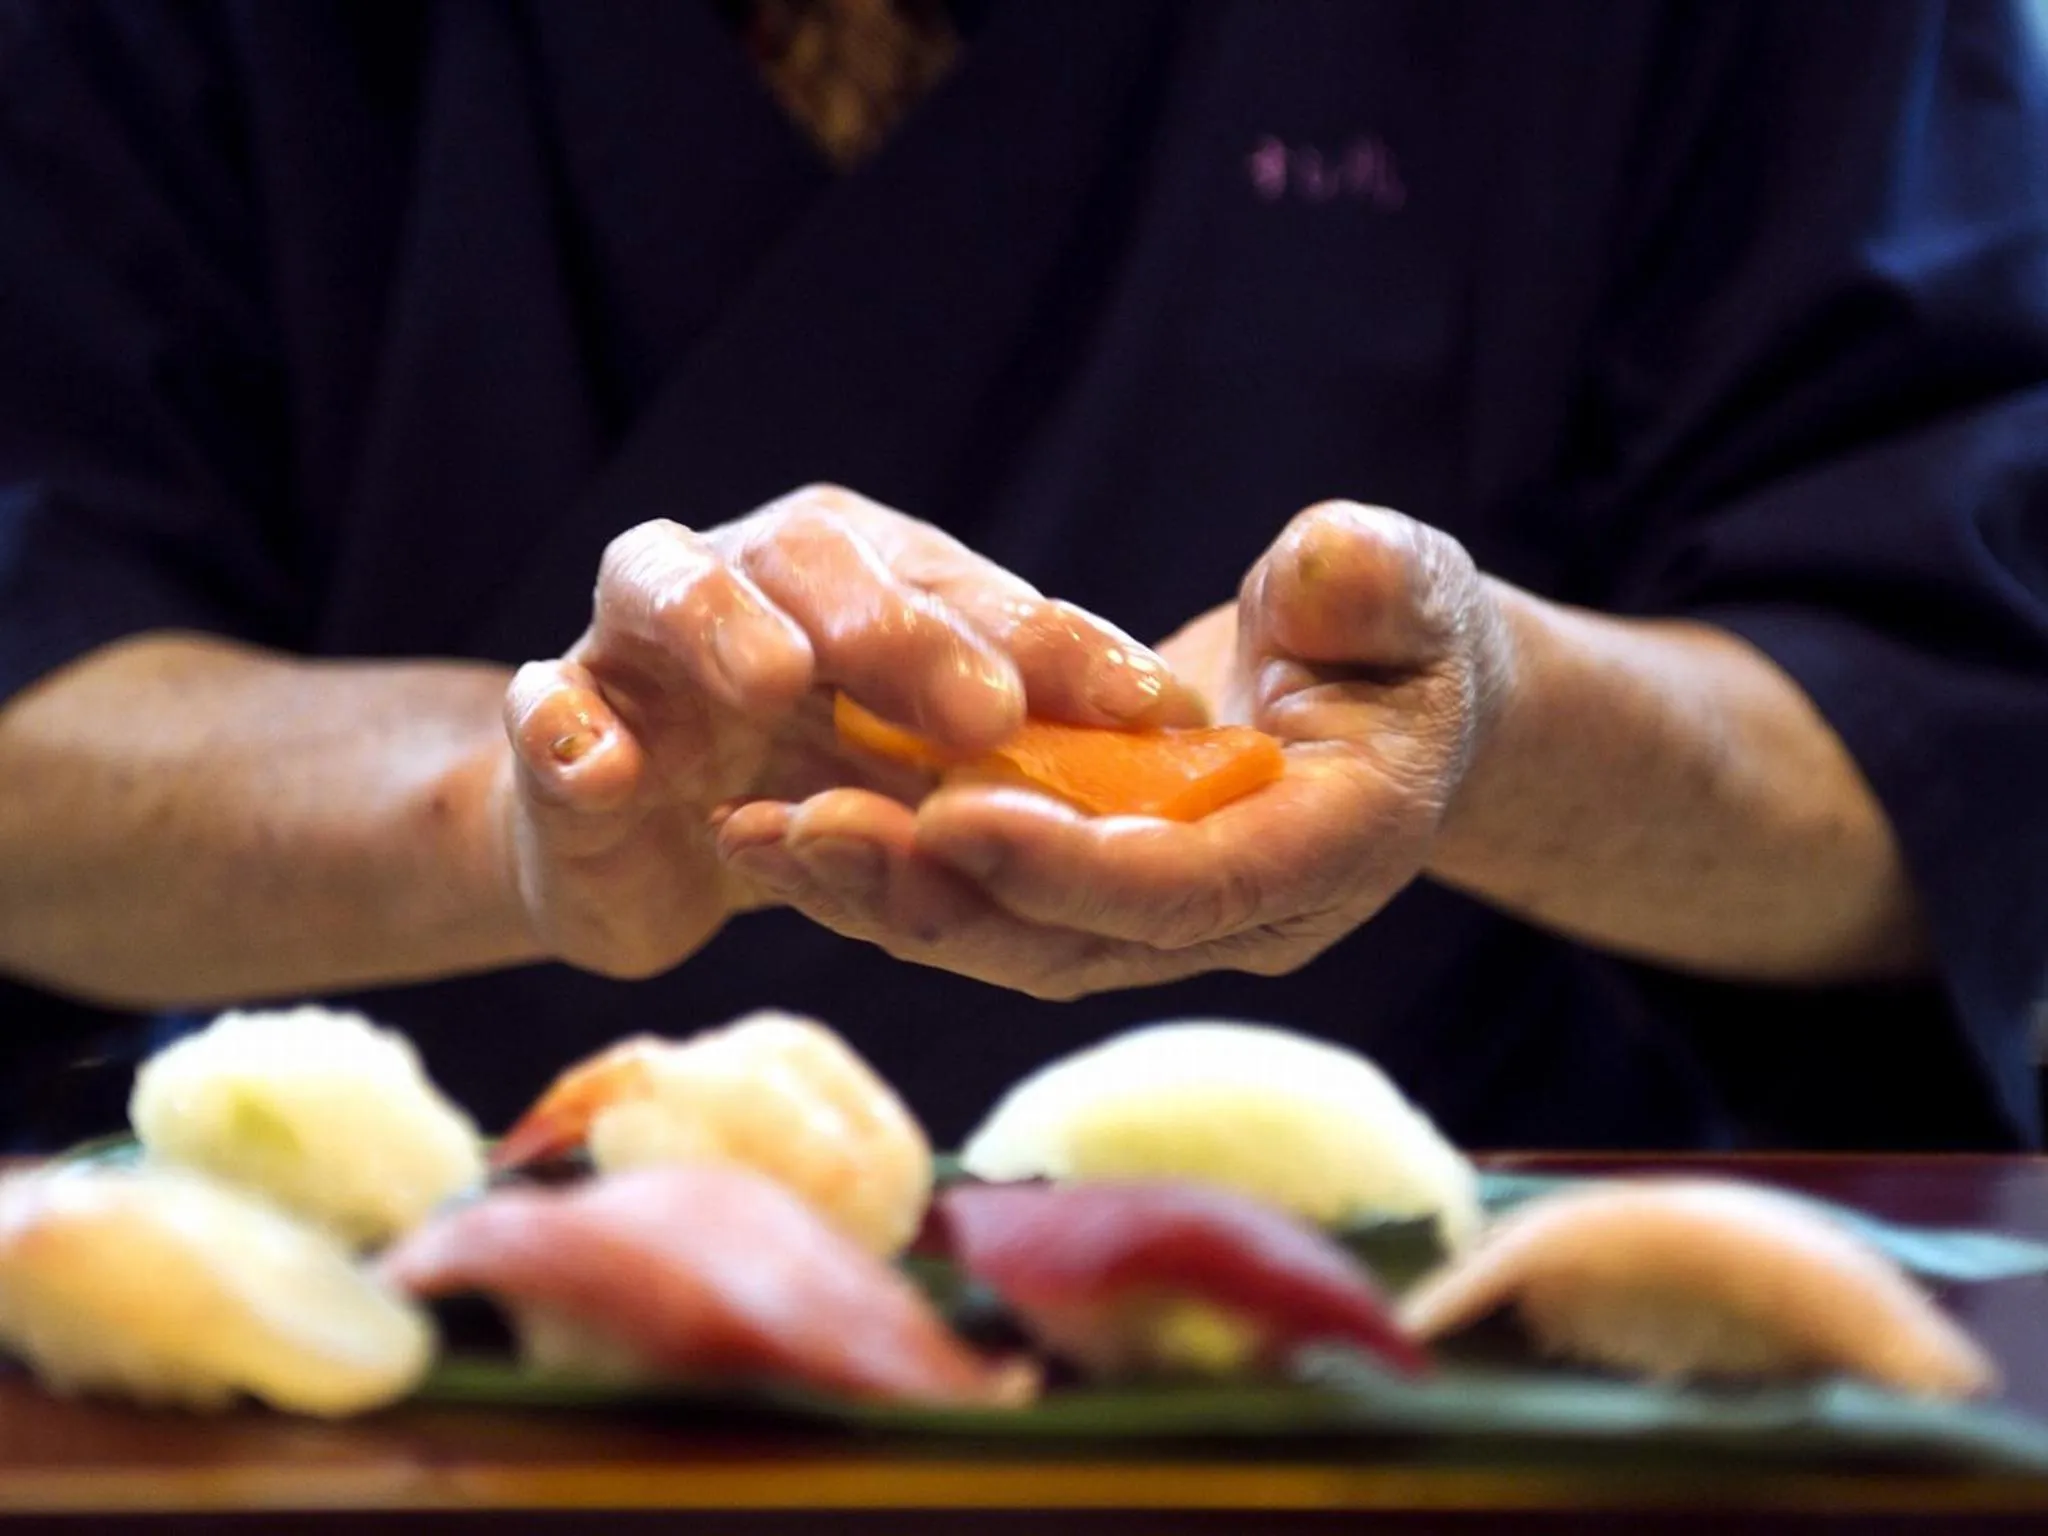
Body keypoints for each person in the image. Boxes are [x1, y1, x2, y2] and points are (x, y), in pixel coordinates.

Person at [1, 0, 2046, 1154]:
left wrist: (1486, 728)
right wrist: (556, 789)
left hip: (1463, 1374)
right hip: (359, 1373)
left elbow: (1941, 733)